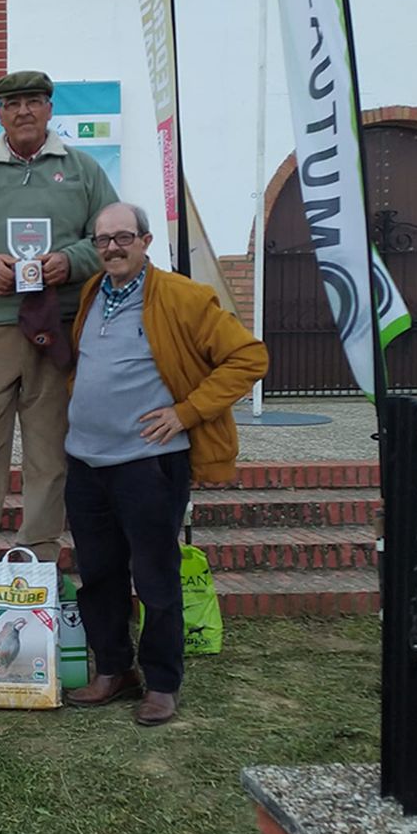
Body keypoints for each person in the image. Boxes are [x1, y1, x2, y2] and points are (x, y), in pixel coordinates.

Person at [63, 201, 267, 726]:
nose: (112, 247)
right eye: (103, 239)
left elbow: (250, 357)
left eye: (123, 237)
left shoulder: (183, 297)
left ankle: (162, 683)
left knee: (155, 576)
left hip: (148, 464)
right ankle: (113, 670)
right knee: (98, 575)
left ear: (146, 241)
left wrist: (187, 412)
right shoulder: (93, 293)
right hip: (86, 463)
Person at [0, 70, 117, 601]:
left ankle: (38, 555)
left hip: (57, 327)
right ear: (0, 114)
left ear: (50, 108)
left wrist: (70, 261)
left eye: (34, 101)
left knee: (48, 450)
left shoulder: (81, 170)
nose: (24, 111)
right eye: (13, 104)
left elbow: (108, 237)